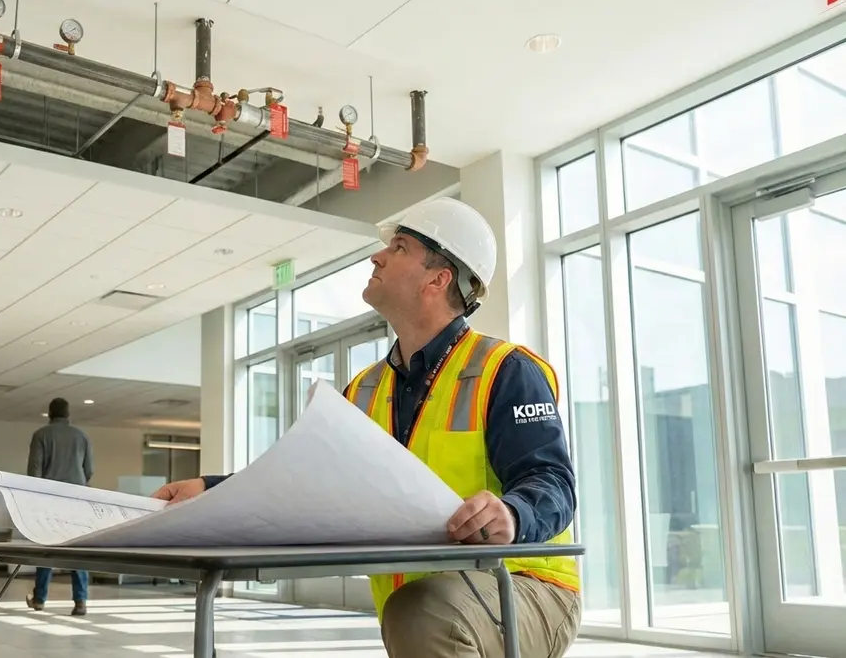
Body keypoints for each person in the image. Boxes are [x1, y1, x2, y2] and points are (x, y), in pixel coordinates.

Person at [153, 197, 581, 658]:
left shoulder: (505, 370)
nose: (376, 256)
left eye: (398, 247)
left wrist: (512, 514)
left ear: (438, 279)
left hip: (525, 585)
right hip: (423, 598)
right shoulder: (365, 388)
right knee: (418, 612)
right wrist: (211, 490)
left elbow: (553, 481)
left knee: (422, 614)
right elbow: (307, 482)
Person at [25, 397, 94, 615]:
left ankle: (39, 599)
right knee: (77, 550)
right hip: (76, 500)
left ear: (49, 414)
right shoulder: (81, 436)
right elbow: (89, 470)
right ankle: (80, 601)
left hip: (50, 499)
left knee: (47, 548)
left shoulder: (41, 435)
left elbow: (34, 471)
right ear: (68, 414)